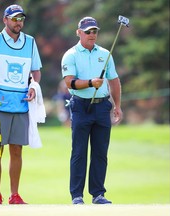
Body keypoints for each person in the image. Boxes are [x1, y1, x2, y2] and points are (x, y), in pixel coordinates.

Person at [0, 4, 42, 205]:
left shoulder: (30, 42)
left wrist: (34, 85)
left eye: (20, 18)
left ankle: (15, 195)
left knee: (17, 150)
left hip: (21, 105)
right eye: (14, 19)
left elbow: (36, 71)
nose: (18, 22)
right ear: (5, 20)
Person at [61, 17, 123, 204]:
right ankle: (77, 196)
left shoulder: (105, 54)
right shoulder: (70, 55)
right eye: (88, 31)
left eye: (94, 31)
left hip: (102, 107)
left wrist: (117, 105)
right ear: (78, 32)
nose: (92, 34)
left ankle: (98, 194)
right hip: (81, 106)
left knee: (100, 152)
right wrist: (90, 83)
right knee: (79, 152)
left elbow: (114, 81)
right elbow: (69, 82)